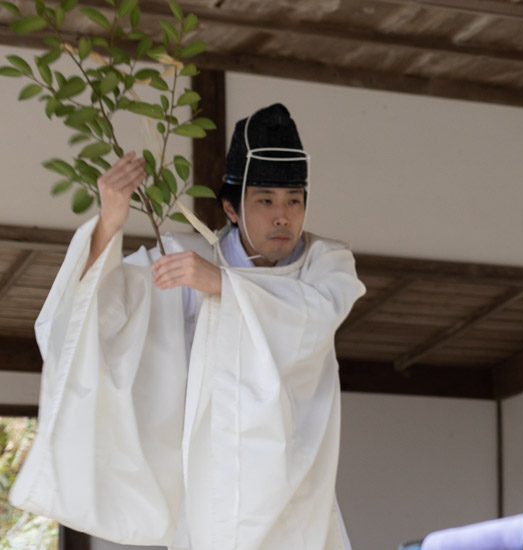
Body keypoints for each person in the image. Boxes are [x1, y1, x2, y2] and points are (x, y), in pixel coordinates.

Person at [13, 103, 365, 550]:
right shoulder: (186, 256)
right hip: (206, 488)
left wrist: (222, 285)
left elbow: (315, 313)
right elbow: (95, 314)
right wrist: (110, 222)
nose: (283, 216)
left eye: (294, 201)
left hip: (295, 491)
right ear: (231, 209)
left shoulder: (326, 263)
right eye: (265, 200)